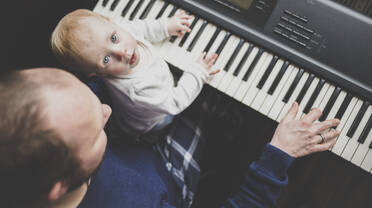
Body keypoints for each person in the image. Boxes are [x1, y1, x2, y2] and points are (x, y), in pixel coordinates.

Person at [0, 68, 341, 208]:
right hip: (168, 177)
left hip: (134, 151)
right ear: (58, 187)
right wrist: (278, 154)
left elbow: (88, 100)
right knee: (219, 115)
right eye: (94, 129)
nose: (106, 111)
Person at [50, 9, 219, 140]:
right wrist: (198, 72)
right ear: (95, 73)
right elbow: (175, 102)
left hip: (157, 90)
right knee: (168, 121)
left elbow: (142, 28)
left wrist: (165, 26)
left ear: (112, 22)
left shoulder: (121, 32)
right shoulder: (137, 88)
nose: (122, 52)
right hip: (154, 120)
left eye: (114, 38)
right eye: (106, 59)